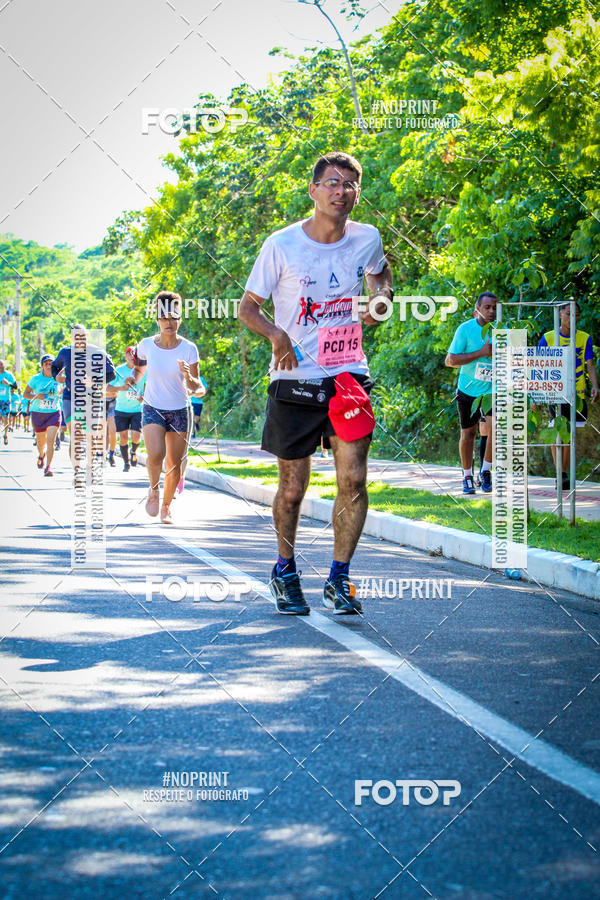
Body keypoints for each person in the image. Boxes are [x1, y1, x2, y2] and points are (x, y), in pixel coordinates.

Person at [239, 150, 392, 616]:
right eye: (330, 182)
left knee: (354, 479)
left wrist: (380, 299)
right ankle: (285, 570)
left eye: (349, 184)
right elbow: (248, 308)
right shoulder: (281, 245)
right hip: (294, 379)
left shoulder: (367, 238)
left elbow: (381, 277)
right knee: (292, 487)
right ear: (313, 190)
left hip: (348, 374)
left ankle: (339, 578)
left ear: (357, 193)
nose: (339, 191)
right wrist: (276, 334)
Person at [126, 291, 201, 524]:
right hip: (152, 407)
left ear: (180, 318)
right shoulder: (146, 345)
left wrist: (189, 376)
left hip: (179, 409)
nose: (169, 322)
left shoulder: (189, 348)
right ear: (157, 319)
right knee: (156, 454)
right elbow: (139, 371)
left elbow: (196, 387)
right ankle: (153, 490)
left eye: (173, 317)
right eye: (164, 317)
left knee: (174, 464)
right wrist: (132, 379)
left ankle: (166, 507)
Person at [538, 301, 599, 490]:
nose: (573, 318)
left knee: (571, 435)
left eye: (576, 315)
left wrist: (595, 386)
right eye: (568, 314)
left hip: (577, 394)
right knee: (558, 432)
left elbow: (589, 364)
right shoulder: (548, 338)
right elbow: (537, 367)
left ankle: (564, 473)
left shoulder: (584, 338)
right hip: (555, 392)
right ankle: (561, 474)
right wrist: (536, 395)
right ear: (560, 315)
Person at [445, 292, 497, 494]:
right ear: (478, 309)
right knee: (469, 433)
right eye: (487, 307)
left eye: (494, 307)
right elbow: (450, 361)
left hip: (492, 390)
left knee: (496, 429)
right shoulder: (465, 329)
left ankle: (485, 471)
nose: (491, 311)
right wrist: (482, 353)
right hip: (468, 390)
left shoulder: (503, 330)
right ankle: (467, 475)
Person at [51, 325, 116, 468]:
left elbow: (111, 373)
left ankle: (90, 466)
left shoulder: (97, 351)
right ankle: (76, 470)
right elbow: (54, 366)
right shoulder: (65, 352)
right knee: (75, 435)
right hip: (70, 397)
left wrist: (95, 381)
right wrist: (56, 377)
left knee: (90, 435)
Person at [23, 355, 62, 475]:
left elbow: (63, 389)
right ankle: (41, 455)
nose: (48, 365)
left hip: (54, 413)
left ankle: (48, 467)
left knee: (51, 441)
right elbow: (25, 394)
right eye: (46, 363)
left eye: (51, 363)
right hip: (38, 414)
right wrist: (36, 396)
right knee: (41, 443)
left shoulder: (58, 378)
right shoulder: (35, 379)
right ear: (42, 366)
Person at [109, 346, 146, 472]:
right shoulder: (119, 370)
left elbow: (150, 388)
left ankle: (133, 451)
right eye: (129, 354)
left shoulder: (142, 370)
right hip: (121, 409)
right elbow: (108, 387)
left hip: (137, 409)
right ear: (125, 356)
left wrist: (143, 397)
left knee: (136, 437)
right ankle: (126, 463)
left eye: (134, 354)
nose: (131, 356)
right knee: (124, 437)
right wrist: (121, 388)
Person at [0, 360, 17, 445]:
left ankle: (5, 435)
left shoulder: (9, 375)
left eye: (2, 364)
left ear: (4, 365)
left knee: (6, 419)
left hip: (6, 400)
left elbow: (15, 386)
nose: (0, 366)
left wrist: (8, 383)